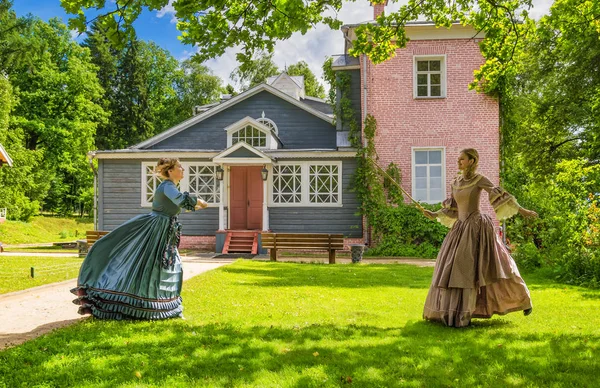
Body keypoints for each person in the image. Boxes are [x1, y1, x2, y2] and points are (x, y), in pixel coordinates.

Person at [71, 158, 208, 320]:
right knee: (148, 265)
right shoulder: (167, 186)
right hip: (156, 230)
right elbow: (180, 200)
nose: (183, 169)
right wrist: (199, 201)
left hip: (166, 231)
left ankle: (168, 307)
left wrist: (197, 206)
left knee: (167, 266)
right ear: (170, 171)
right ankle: (140, 305)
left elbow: (178, 206)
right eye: (180, 167)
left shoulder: (172, 187)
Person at [421, 148, 538, 327]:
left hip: (477, 228)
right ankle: (457, 312)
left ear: (472, 161)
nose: (458, 162)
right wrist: (434, 214)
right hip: (460, 229)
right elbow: (452, 208)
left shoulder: (479, 179)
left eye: (462, 159)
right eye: (458, 159)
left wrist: (523, 210)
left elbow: (501, 196)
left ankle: (523, 299)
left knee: (497, 265)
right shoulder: (456, 182)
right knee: (453, 268)